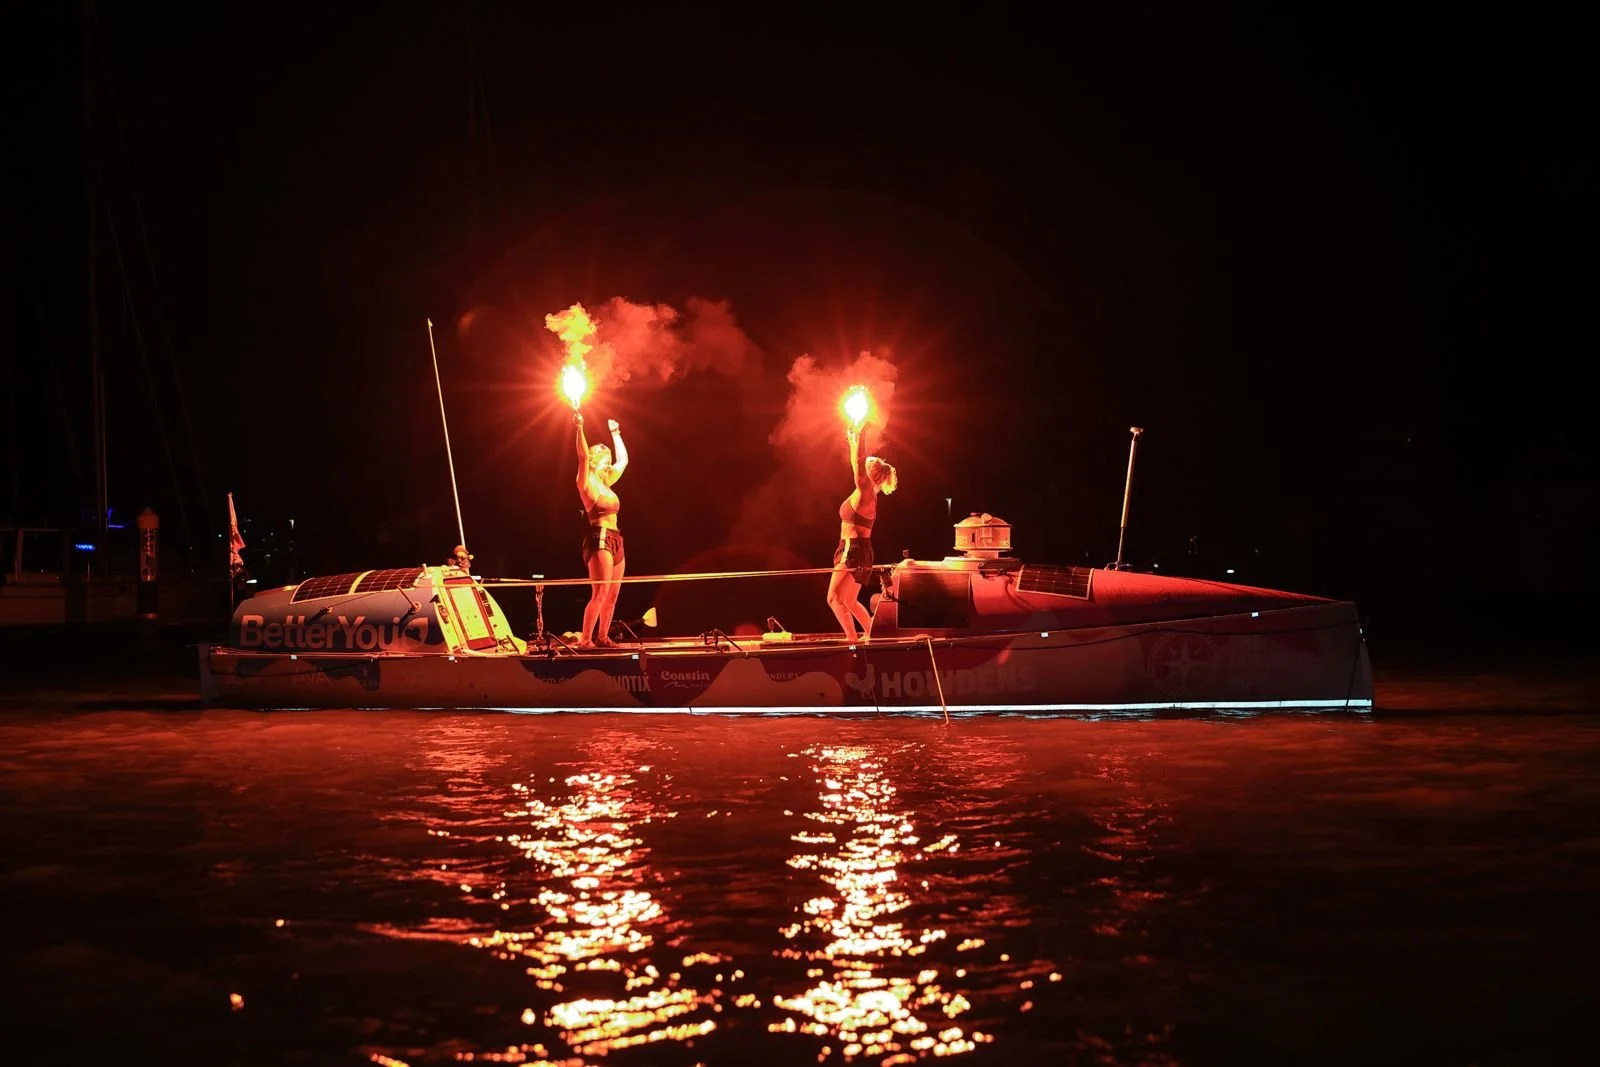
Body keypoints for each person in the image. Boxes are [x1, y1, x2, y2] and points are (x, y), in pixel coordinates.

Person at [827, 423, 897, 641]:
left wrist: (862, 434)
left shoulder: (866, 493)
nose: (860, 468)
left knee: (834, 599)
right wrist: (852, 441)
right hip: (856, 550)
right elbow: (855, 463)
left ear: (870, 475)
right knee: (849, 601)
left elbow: (857, 464)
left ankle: (852, 641)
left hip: (854, 551)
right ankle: (873, 636)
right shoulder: (864, 493)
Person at [574, 412, 628, 649]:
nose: (608, 460)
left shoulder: (607, 484)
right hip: (600, 539)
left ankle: (603, 637)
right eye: (603, 456)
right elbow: (582, 456)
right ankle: (586, 640)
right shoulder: (586, 483)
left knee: (613, 594)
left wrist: (616, 434)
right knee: (600, 592)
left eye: (609, 457)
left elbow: (624, 461)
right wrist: (580, 427)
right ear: (595, 460)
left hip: (616, 539)